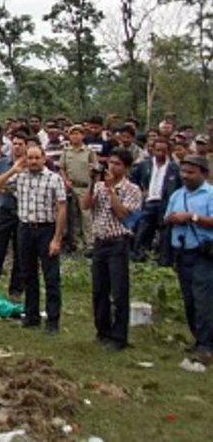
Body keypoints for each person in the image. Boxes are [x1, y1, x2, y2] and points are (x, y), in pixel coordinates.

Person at [0, 144, 67, 335]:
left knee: (51, 276)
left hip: (46, 229)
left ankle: (52, 320)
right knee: (28, 274)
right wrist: (13, 170)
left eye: (36, 158)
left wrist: (57, 238)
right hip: (25, 228)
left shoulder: (54, 179)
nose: (33, 162)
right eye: (30, 158)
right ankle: (31, 316)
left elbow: (62, 208)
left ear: (43, 158)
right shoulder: (20, 177)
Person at [82, 149, 143, 351]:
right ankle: (102, 330)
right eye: (110, 163)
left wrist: (111, 190)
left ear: (125, 167)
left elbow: (123, 214)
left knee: (119, 291)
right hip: (100, 241)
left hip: (118, 241)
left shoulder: (132, 189)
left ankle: (119, 336)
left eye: (117, 164)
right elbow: (86, 205)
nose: (112, 167)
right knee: (99, 290)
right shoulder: (99, 185)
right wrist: (93, 183)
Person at [165, 155, 213, 366]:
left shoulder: (210, 195)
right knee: (189, 300)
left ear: (203, 173)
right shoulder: (177, 194)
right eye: (183, 172)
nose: (185, 176)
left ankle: (206, 346)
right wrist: (173, 218)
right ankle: (198, 338)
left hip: (203, 254)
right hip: (182, 252)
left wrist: (192, 217)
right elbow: (166, 217)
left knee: (203, 299)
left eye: (191, 172)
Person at [130, 137, 181, 264]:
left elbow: (180, 187)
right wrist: (140, 191)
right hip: (148, 202)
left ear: (168, 151)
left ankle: (164, 260)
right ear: (152, 150)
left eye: (163, 150)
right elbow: (133, 180)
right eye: (158, 150)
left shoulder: (175, 168)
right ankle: (139, 257)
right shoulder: (144, 165)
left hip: (166, 203)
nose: (160, 153)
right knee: (144, 230)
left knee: (165, 234)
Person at [0, 133, 27, 300]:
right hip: (4, 211)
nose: (17, 147)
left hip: (23, 212)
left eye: (20, 144)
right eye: (14, 143)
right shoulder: (2, 163)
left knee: (21, 252)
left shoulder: (30, 164)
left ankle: (16, 290)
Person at [60, 125, 97, 254]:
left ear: (83, 136)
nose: (75, 136)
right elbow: (62, 168)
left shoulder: (89, 152)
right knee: (72, 215)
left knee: (86, 216)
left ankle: (90, 243)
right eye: (72, 134)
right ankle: (75, 243)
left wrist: (93, 186)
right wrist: (65, 180)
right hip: (71, 186)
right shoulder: (66, 152)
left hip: (84, 187)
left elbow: (96, 170)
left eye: (78, 134)